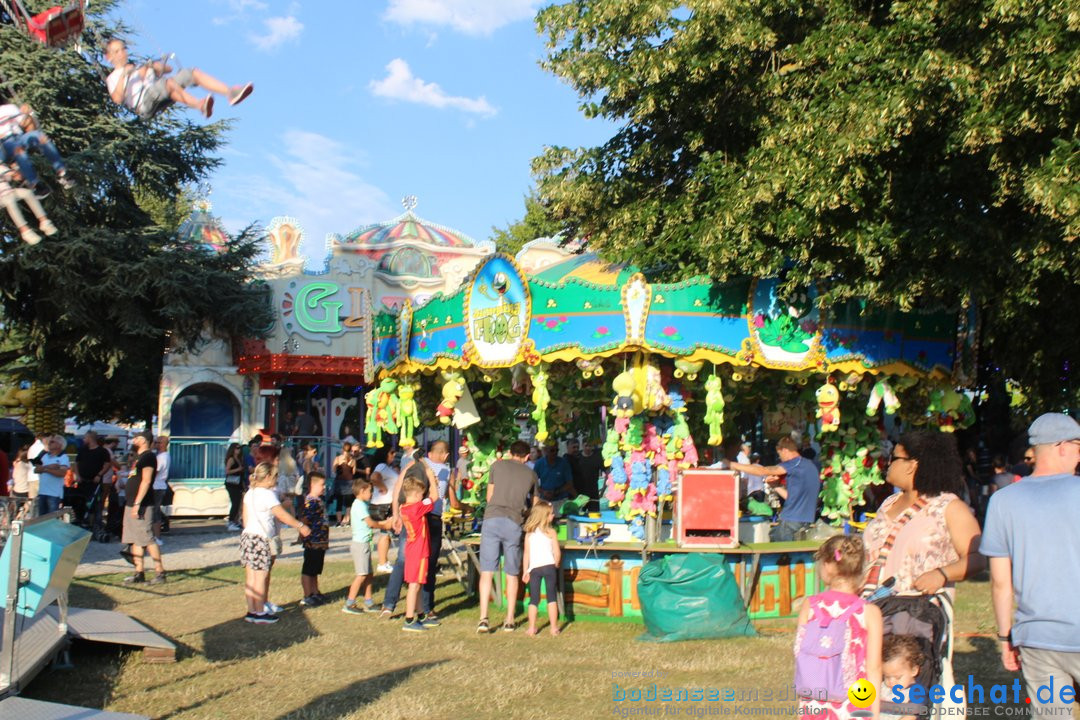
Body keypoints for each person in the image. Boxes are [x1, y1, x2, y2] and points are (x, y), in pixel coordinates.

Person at [982, 413, 1080, 720]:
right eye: (1078, 446)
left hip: (1037, 638)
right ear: (1063, 447)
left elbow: (1000, 582)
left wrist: (1004, 637)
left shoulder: (1003, 501)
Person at [861, 431, 983, 597]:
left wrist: (942, 574)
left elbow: (977, 557)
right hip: (871, 612)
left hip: (917, 614)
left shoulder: (949, 507)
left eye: (893, 457)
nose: (887, 463)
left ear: (912, 465)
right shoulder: (888, 503)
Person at [794, 535, 882, 720]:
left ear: (827, 565)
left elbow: (800, 655)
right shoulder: (870, 612)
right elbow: (873, 668)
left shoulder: (810, 606)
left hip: (814, 700)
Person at [104, 39, 253, 120]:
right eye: (116, 51)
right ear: (108, 57)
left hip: (160, 92)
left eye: (123, 49)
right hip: (143, 104)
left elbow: (168, 69)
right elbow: (117, 99)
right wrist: (125, 75)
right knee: (167, 84)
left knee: (190, 73)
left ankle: (230, 92)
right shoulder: (113, 78)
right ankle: (199, 105)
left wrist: (152, 66)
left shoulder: (137, 67)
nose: (121, 53)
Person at [477, 440, 540, 634]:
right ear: (527, 456)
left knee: (487, 570)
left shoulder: (496, 466)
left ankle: (483, 618)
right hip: (514, 522)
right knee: (512, 572)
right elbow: (535, 505)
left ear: (509, 453)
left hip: (492, 519)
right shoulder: (531, 474)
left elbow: (489, 496)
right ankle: (510, 619)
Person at [240, 462, 309, 624]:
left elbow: (245, 519)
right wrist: (300, 526)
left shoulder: (250, 493)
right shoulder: (267, 494)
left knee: (251, 576)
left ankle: (251, 611)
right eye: (275, 475)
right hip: (261, 538)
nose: (277, 479)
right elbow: (281, 515)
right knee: (261, 576)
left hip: (248, 536)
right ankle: (259, 612)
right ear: (269, 476)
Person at [729, 436, 821, 541]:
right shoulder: (810, 465)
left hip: (791, 519)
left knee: (778, 553)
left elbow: (763, 471)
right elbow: (791, 498)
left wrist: (733, 464)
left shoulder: (793, 463)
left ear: (785, 450)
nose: (780, 458)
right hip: (806, 520)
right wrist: (775, 486)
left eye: (779, 454)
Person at [0, 102, 74, 194]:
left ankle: (62, 172)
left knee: (39, 136)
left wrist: (27, 115)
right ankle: (35, 184)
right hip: (4, 144)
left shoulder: (9, 108)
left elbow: (28, 126)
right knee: (18, 150)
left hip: (19, 137)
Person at [123, 432, 167, 585]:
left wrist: (137, 503)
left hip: (142, 504)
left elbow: (146, 481)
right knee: (135, 539)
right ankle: (138, 572)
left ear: (144, 441)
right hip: (131, 502)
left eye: (137, 438)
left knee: (147, 538)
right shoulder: (138, 457)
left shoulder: (148, 457)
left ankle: (160, 572)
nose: (133, 440)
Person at [343, 477, 392, 614]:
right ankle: (350, 603)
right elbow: (370, 523)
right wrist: (384, 525)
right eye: (370, 491)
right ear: (362, 490)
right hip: (360, 545)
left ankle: (368, 601)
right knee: (361, 574)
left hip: (365, 543)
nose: (371, 494)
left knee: (369, 574)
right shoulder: (358, 505)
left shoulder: (363, 504)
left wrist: (384, 523)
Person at [398, 473, 438, 632]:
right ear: (415, 495)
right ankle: (409, 619)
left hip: (412, 549)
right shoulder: (417, 507)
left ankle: (421, 615)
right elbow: (435, 496)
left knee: (418, 584)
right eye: (421, 494)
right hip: (419, 551)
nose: (423, 497)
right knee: (414, 586)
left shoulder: (404, 507)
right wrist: (432, 479)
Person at [522, 500, 561, 637]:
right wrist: (556, 563)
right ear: (544, 516)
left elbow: (526, 553)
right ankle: (554, 628)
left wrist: (525, 570)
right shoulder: (551, 532)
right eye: (551, 514)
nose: (553, 516)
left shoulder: (529, 534)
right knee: (551, 598)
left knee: (534, 599)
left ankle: (532, 628)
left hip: (534, 568)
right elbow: (557, 552)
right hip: (549, 566)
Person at [0, 165, 58, 243]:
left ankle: (44, 221)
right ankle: (25, 231)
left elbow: (11, 175)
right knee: (10, 201)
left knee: (27, 193)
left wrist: (15, 174)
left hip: (9, 191)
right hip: (2, 197)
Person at [298, 471, 330, 607]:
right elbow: (305, 520)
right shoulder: (310, 502)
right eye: (322, 485)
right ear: (312, 484)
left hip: (320, 541)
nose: (324, 487)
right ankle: (307, 595)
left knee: (316, 569)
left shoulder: (318, 500)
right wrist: (301, 534)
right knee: (309, 569)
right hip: (313, 541)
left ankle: (315, 591)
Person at [371, 447, 400, 573]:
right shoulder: (381, 466)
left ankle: (384, 561)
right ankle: (382, 562)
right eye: (391, 452)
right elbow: (374, 477)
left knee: (386, 534)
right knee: (385, 533)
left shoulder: (386, 467)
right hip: (384, 504)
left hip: (386, 503)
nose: (393, 455)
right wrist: (383, 487)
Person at [882, 634, 926, 715]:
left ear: (914, 671)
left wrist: (880, 705)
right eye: (887, 676)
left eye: (897, 677)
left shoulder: (916, 691)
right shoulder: (882, 687)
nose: (891, 682)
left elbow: (914, 711)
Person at [75, 431, 110, 530]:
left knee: (94, 503)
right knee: (80, 501)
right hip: (82, 481)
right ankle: (81, 520)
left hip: (94, 482)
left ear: (90, 438)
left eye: (85, 438)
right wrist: (77, 475)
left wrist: (99, 474)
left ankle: (93, 524)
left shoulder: (102, 451)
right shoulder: (82, 450)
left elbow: (107, 464)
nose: (84, 440)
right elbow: (77, 463)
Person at [32, 434, 69, 516]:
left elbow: (62, 473)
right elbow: (36, 470)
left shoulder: (63, 457)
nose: (49, 443)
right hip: (42, 492)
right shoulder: (44, 455)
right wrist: (49, 467)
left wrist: (45, 469)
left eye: (52, 441)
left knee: (51, 519)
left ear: (59, 445)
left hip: (54, 494)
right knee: (41, 519)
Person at [152, 435, 170, 541]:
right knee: (155, 510)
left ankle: (157, 536)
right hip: (159, 485)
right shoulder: (162, 456)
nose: (156, 444)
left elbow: (156, 471)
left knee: (155, 511)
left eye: (158, 442)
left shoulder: (161, 457)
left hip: (157, 486)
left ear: (163, 444)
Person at [224, 443, 244, 531]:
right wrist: (238, 469)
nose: (238, 450)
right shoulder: (231, 459)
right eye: (237, 448)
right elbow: (227, 471)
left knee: (238, 502)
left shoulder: (239, 458)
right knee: (235, 502)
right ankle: (231, 521)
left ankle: (235, 521)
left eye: (239, 448)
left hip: (238, 482)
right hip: (232, 483)